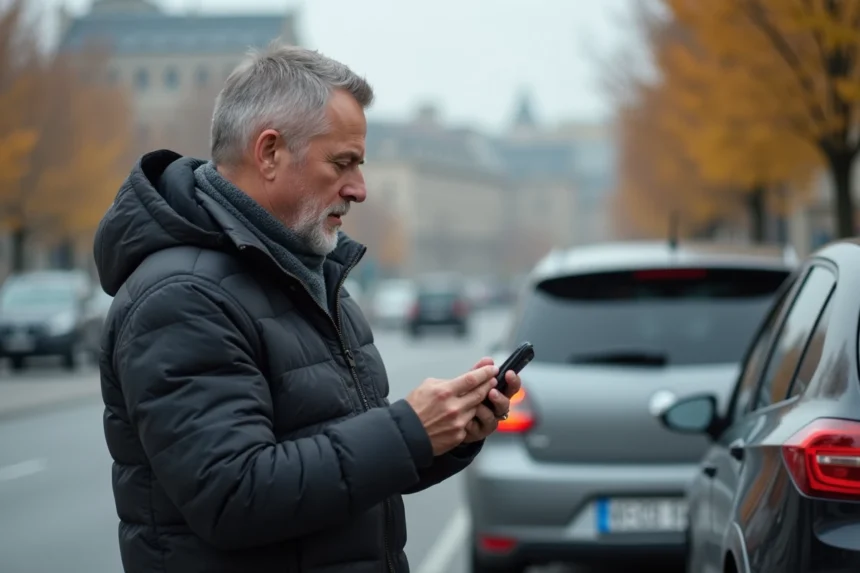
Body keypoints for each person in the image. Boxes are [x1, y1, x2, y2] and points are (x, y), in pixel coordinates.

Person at [93, 43, 521, 573]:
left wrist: (446, 433)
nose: (360, 190)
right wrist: (409, 430)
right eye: (343, 163)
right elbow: (234, 497)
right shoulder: (180, 297)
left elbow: (339, 470)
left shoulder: (306, 273)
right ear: (269, 152)